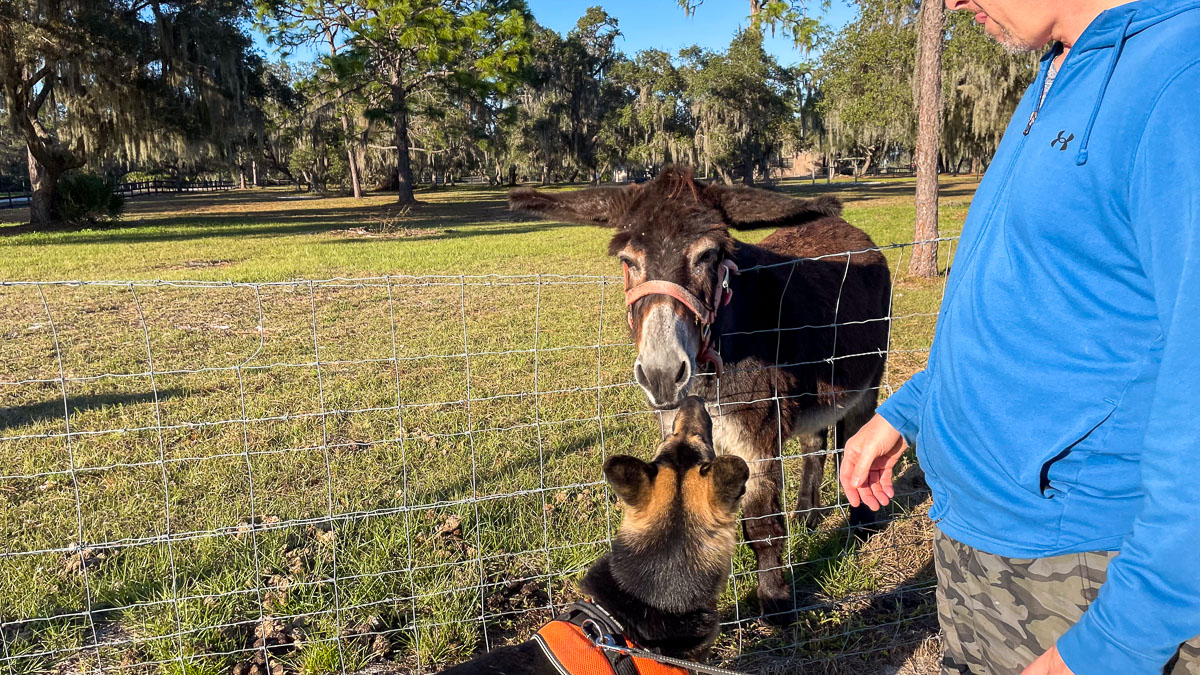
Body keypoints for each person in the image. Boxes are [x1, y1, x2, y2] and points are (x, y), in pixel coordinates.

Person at [839, 0, 1200, 673]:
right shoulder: (1057, 69)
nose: (947, 4)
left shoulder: (1182, 78)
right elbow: (1043, 297)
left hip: (1085, 577)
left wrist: (1113, 645)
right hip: (984, 554)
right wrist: (913, 408)